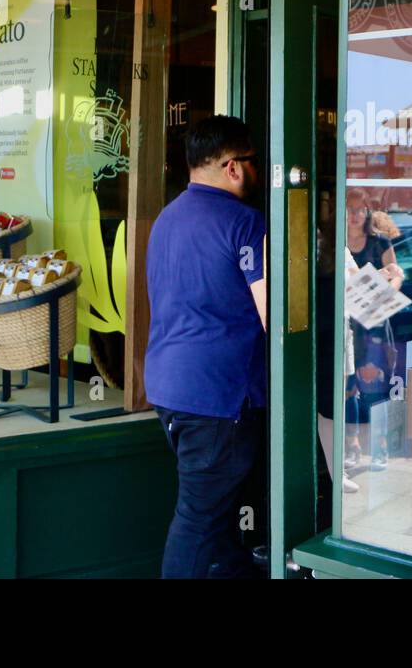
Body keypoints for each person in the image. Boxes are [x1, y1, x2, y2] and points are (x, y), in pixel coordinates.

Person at [144, 115, 267, 579]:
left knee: (218, 513)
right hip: (219, 397)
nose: (258, 173)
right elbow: (273, 315)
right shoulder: (245, 222)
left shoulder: (166, 218)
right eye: (254, 162)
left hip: (169, 389)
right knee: (200, 518)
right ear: (234, 167)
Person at [343, 187, 404, 471]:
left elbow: (396, 273)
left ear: (368, 212)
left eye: (360, 209)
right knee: (349, 386)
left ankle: (380, 447)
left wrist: (387, 293)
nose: (355, 215)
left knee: (376, 385)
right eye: (349, 209)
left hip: (374, 323)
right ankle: (352, 444)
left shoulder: (379, 242)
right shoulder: (335, 243)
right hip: (346, 323)